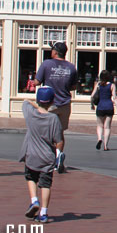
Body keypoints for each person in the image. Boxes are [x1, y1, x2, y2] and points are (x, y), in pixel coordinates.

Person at [20, 86, 64, 224]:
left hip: (31, 154)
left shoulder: (30, 114)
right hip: (47, 157)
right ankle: (43, 213)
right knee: (46, 184)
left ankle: (34, 201)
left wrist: (35, 103)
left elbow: (25, 101)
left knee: (30, 177)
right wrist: (59, 154)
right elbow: (59, 140)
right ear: (51, 102)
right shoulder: (53, 119)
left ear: (38, 100)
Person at [35, 41, 77, 173]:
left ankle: (49, 159)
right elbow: (74, 86)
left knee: (47, 133)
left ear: (55, 52)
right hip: (64, 104)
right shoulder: (71, 67)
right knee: (59, 133)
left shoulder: (47, 64)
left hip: (50, 104)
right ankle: (58, 156)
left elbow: (37, 82)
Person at [92, 69, 117, 151]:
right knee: (107, 127)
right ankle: (106, 146)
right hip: (109, 107)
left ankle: (99, 139)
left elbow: (92, 95)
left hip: (100, 107)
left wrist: (92, 105)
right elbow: (115, 97)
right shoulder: (112, 85)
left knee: (99, 125)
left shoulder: (98, 85)